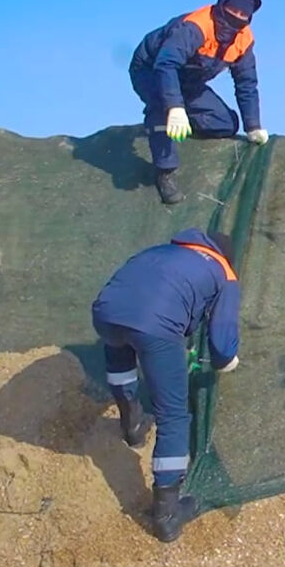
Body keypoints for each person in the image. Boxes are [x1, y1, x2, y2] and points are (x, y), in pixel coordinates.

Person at [90, 228, 242, 542]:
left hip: (105, 312)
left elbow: (145, 292)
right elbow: (223, 343)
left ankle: (131, 426)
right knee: (173, 414)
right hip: (154, 327)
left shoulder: (160, 250)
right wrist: (226, 360)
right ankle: (167, 513)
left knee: (120, 356)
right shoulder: (223, 271)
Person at [129, 0, 270, 205]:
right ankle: (165, 170)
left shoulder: (244, 39)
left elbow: (246, 83)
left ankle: (180, 123)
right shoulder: (196, 26)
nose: (238, 16)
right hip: (152, 68)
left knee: (225, 124)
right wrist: (175, 108)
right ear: (222, 5)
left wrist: (253, 126)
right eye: (233, 9)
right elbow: (166, 64)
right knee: (162, 108)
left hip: (190, 80)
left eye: (244, 13)